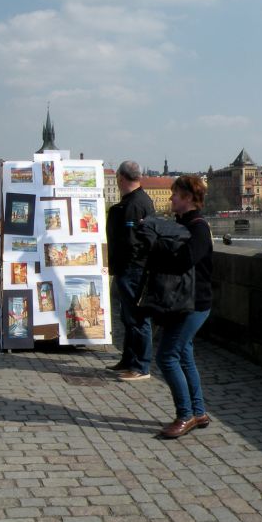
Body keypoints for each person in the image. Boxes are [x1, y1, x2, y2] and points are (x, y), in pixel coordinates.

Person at [152, 175, 212, 439]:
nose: (171, 198)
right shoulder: (182, 225)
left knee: (167, 356)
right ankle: (198, 412)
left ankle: (185, 415)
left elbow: (183, 261)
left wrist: (159, 250)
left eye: (175, 194)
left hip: (195, 303)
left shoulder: (198, 227)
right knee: (184, 355)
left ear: (188, 197)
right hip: (183, 302)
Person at [105, 161, 156, 380]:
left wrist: (125, 263)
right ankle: (128, 360)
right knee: (128, 318)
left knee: (137, 318)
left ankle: (141, 366)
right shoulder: (135, 201)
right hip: (129, 268)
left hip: (133, 269)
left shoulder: (135, 204)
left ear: (121, 179)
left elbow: (135, 242)